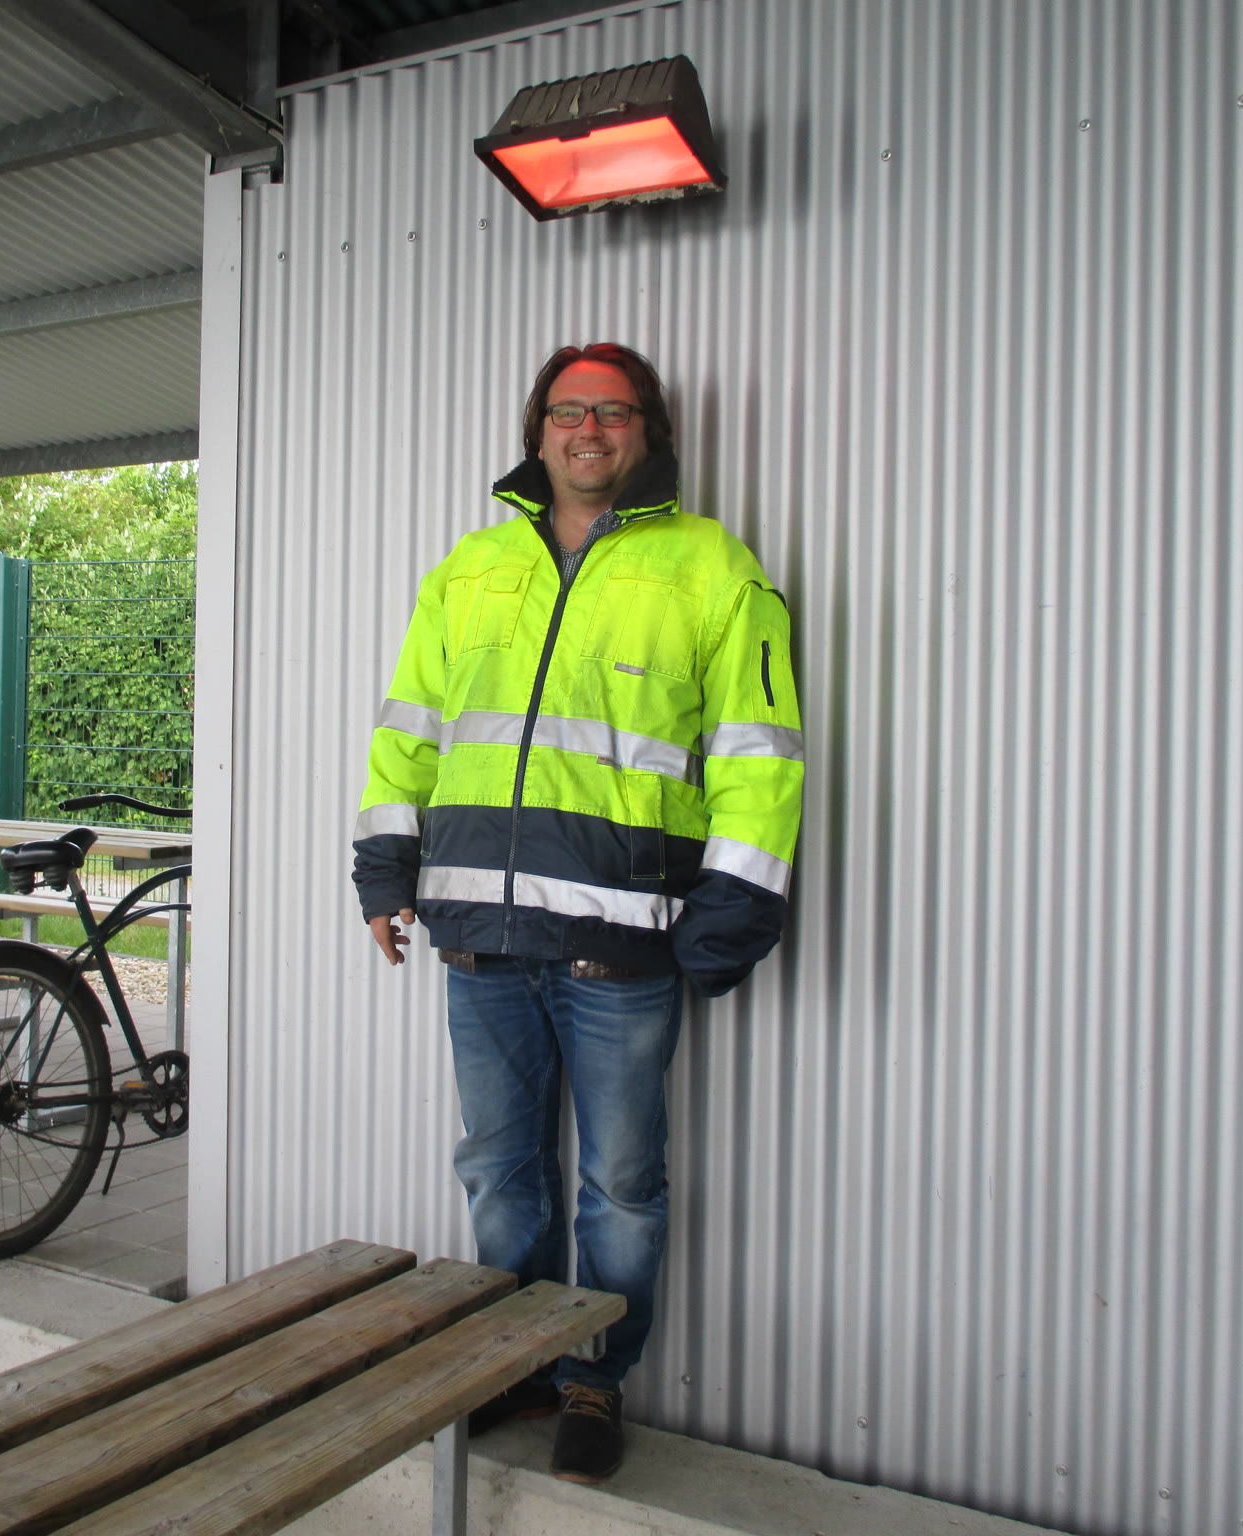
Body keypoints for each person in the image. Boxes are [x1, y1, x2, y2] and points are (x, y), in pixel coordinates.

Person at [351, 342, 803, 1483]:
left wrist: (733, 912)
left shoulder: (711, 566)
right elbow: (409, 729)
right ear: (537, 430)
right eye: (568, 411)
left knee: (621, 1188)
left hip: (620, 945)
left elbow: (759, 753)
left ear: (647, 432)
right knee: (498, 1172)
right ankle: (511, 1361)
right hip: (478, 937)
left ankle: (593, 1379)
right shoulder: (470, 567)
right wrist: (384, 870)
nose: (587, 429)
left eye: (612, 411)